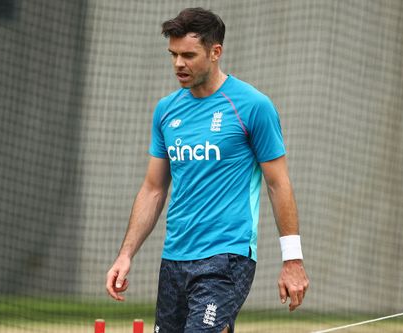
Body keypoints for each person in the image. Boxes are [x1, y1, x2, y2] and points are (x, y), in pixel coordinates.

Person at [106, 7, 309, 333]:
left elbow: (278, 184)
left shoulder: (252, 106)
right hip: (174, 257)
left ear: (216, 52)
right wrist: (125, 255)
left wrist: (293, 261)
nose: (178, 64)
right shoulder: (166, 110)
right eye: (173, 55)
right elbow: (153, 189)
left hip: (227, 257)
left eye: (188, 55)